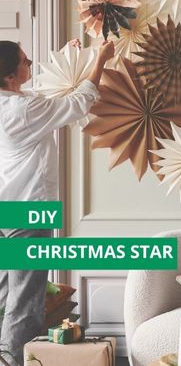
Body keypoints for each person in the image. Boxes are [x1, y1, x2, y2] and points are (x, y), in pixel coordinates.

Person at [0, 39, 114, 365]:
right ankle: (14, 360)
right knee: (26, 301)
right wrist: (101, 58)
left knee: (6, 295)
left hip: (6, 207)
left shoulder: (12, 103)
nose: (31, 64)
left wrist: (68, 57)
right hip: (29, 209)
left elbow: (39, 97)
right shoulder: (22, 110)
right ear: (10, 75)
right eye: (25, 61)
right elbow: (79, 103)